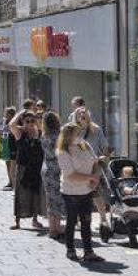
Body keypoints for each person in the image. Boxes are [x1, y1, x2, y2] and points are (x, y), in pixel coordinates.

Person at [56, 123, 104, 262]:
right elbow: (70, 175)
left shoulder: (83, 144)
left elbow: (94, 161)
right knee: (72, 220)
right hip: (71, 191)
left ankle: (88, 251)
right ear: (68, 135)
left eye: (79, 133)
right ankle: (70, 250)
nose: (79, 136)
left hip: (86, 189)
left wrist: (95, 177)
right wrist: (91, 178)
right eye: (76, 134)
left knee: (86, 221)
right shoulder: (63, 151)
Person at [74, 107, 111, 229]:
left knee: (96, 193)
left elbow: (104, 147)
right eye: (79, 114)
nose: (82, 115)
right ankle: (79, 220)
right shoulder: (75, 131)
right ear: (76, 117)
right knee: (79, 194)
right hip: (79, 166)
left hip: (94, 166)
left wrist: (104, 157)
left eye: (84, 113)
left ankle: (103, 219)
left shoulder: (96, 130)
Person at [8, 110, 45, 230]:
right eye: (27, 121)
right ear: (23, 121)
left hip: (36, 167)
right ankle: (17, 221)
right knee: (21, 193)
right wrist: (22, 112)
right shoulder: (20, 132)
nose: (30, 123)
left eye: (32, 121)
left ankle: (35, 219)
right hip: (23, 166)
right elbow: (11, 125)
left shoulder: (38, 132)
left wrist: (37, 121)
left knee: (35, 193)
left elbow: (43, 127)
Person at [41, 111, 65, 239]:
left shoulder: (44, 135)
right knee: (58, 198)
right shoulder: (59, 136)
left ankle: (53, 228)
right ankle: (56, 228)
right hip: (57, 168)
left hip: (46, 168)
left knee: (50, 199)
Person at [0, 107, 17, 191]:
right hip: (5, 142)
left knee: (13, 164)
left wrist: (6, 131)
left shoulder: (15, 121)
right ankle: (10, 181)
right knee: (7, 163)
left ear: (11, 114)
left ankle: (14, 183)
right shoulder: (3, 121)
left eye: (6, 113)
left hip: (13, 143)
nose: (5, 115)